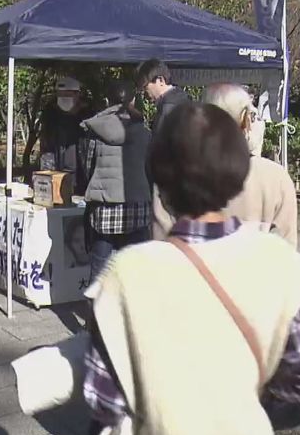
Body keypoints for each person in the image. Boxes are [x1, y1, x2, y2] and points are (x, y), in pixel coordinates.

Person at [81, 103, 300, 435]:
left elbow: (103, 400)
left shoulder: (124, 274)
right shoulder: (277, 262)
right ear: (236, 174)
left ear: (162, 183)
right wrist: (252, 391)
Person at [152, 82, 298, 246]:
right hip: (259, 269)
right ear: (245, 120)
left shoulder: (174, 173)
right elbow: (286, 250)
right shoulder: (275, 177)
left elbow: (162, 244)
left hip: (188, 266)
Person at [80, 80, 152, 277]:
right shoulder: (145, 133)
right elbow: (151, 168)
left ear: (107, 100)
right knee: (136, 271)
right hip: (137, 207)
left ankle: (98, 307)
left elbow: (88, 167)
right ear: (133, 100)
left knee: (101, 270)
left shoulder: (95, 131)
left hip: (104, 208)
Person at [38, 76, 92, 181]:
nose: (64, 98)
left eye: (68, 94)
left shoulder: (88, 114)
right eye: (60, 94)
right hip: (58, 169)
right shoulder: (51, 113)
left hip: (82, 172)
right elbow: (46, 143)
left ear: (77, 94)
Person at [134, 58, 190, 133]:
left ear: (160, 80)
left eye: (145, 87)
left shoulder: (168, 109)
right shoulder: (184, 101)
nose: (143, 93)